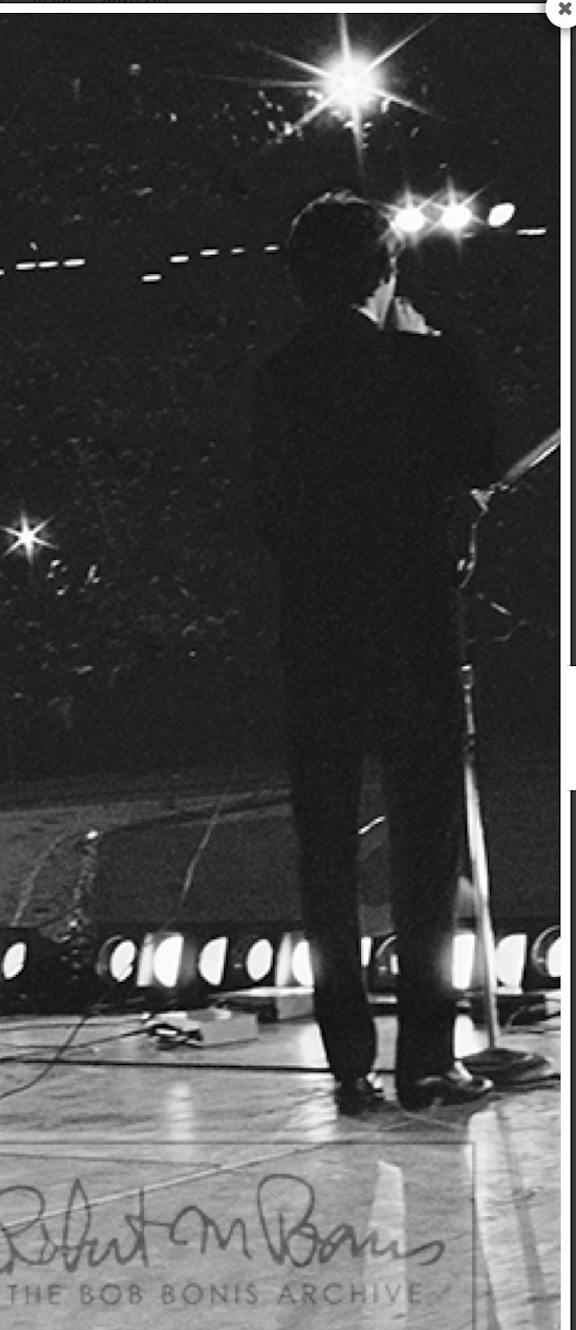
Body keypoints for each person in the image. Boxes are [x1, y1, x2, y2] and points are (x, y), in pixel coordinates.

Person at [249, 191, 497, 1115]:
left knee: (324, 851)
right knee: (422, 849)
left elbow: (269, 515)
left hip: (316, 637)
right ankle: (427, 1057)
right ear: (385, 269)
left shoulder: (275, 377)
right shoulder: (424, 362)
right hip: (414, 632)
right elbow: (481, 455)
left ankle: (347, 1058)